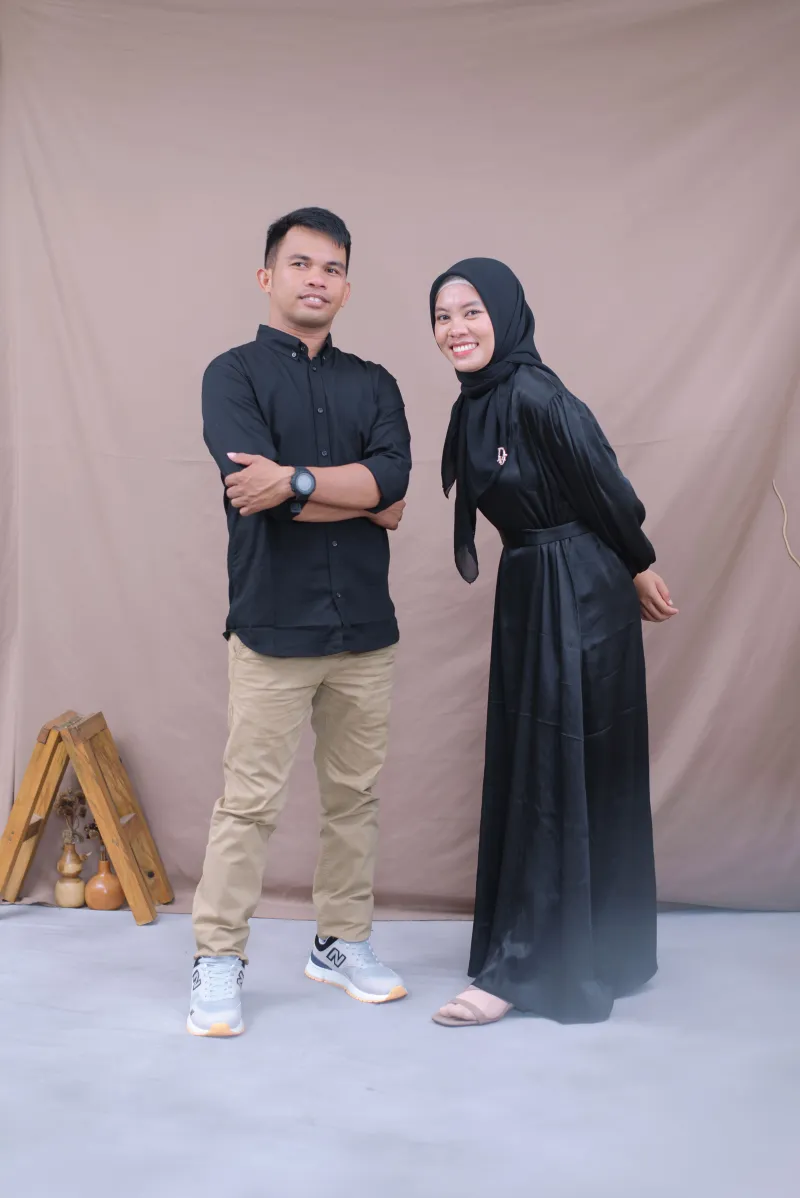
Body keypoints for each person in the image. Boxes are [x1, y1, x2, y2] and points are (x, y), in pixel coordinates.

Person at [429, 258, 678, 1028]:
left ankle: (529, 967)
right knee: (540, 765)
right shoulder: (476, 403)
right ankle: (584, 947)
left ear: (505, 315)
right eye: (442, 316)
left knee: (556, 769)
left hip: (577, 592)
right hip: (533, 584)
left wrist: (638, 565)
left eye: (471, 311)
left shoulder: (536, 394)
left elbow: (606, 489)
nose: (456, 329)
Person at [189, 208, 411, 1037]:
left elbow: (395, 493)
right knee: (248, 805)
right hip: (272, 627)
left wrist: (298, 481)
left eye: (333, 268)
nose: (318, 278)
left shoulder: (376, 383)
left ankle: (340, 941)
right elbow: (256, 496)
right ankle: (217, 957)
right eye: (301, 263)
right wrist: (346, 493)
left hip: (365, 631)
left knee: (355, 799)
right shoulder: (232, 375)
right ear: (268, 277)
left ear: (347, 288)